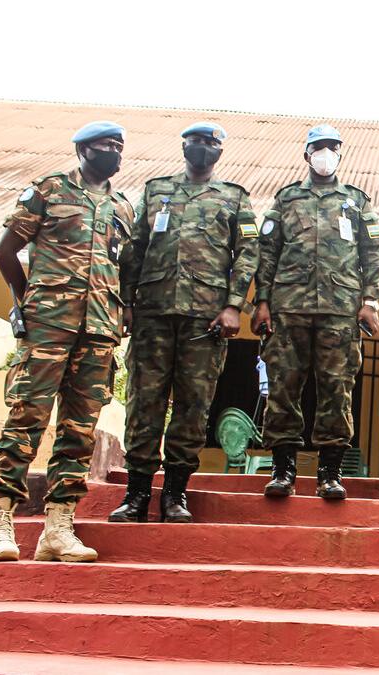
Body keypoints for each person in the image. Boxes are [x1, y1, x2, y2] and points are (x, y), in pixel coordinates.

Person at [0, 121, 134, 563]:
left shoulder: (123, 207)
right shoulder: (48, 190)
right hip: (48, 325)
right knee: (26, 417)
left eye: (119, 146)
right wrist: (25, 300)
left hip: (99, 330)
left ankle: (59, 526)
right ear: (83, 150)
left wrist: (123, 310)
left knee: (79, 430)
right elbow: (4, 252)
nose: (114, 152)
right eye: (105, 145)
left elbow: (123, 267)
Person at [110, 122, 258, 524]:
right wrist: (126, 302)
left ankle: (175, 493)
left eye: (210, 143)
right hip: (152, 314)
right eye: (195, 142)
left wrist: (233, 306)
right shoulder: (156, 190)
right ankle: (137, 493)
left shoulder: (234, 197)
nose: (202, 148)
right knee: (144, 403)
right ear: (184, 146)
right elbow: (134, 248)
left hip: (205, 320)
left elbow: (248, 254)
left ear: (219, 151)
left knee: (193, 405)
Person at [252, 124, 379, 500]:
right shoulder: (287, 198)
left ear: (340, 154)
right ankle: (283, 471)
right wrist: (262, 301)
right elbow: (267, 252)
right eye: (319, 148)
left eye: (332, 148)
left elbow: (372, 253)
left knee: (337, 389)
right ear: (307, 155)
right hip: (288, 308)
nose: (326, 154)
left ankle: (330, 474)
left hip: (341, 310)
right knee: (283, 387)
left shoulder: (356, 201)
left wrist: (370, 301)